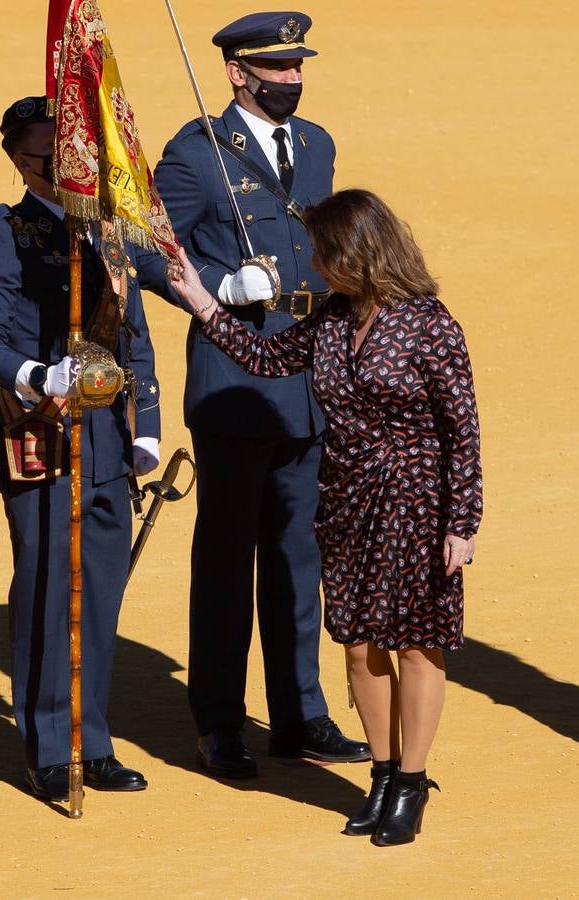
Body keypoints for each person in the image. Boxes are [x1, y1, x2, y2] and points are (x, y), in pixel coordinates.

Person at [167, 189, 482, 845]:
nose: (312, 264)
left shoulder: (430, 325)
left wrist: (463, 522)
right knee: (360, 645)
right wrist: (202, 298)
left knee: (417, 646)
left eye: (322, 252)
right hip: (345, 501)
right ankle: (384, 773)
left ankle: (412, 784)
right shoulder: (336, 318)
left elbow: (463, 432)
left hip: (417, 501)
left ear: (357, 254)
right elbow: (268, 358)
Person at [147, 9, 367, 778]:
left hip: (307, 376)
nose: (292, 80)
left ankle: (300, 712)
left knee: (298, 549)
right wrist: (214, 286)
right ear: (239, 73)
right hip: (234, 378)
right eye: (276, 70)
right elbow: (144, 240)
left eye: (298, 66)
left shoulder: (316, 146)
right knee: (228, 552)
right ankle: (218, 721)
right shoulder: (197, 152)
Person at [0, 96, 162, 801]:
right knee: (50, 593)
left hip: (106, 441)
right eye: (56, 150)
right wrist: (39, 373)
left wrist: (148, 429)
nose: (76, 163)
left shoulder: (104, 232)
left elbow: (132, 332)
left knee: (100, 597)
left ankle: (92, 739)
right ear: (23, 160)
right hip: (40, 435)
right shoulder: (3, 233)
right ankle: (49, 746)